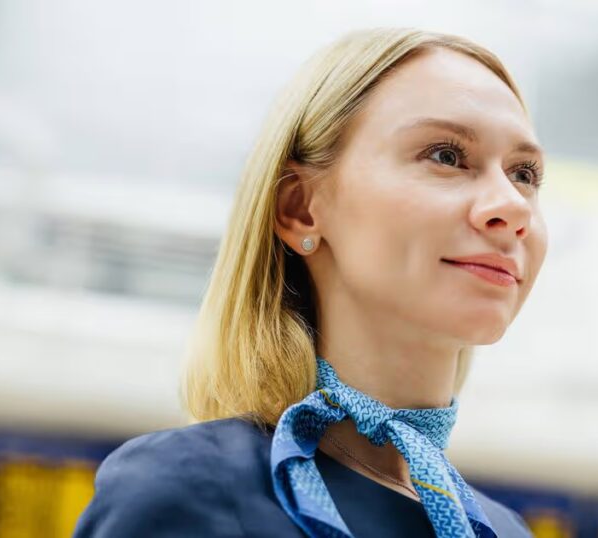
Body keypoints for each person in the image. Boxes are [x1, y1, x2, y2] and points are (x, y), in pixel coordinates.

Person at [73, 26, 548, 537]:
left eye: (524, 173)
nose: (513, 206)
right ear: (300, 208)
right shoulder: (189, 491)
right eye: (446, 156)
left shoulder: (503, 531)